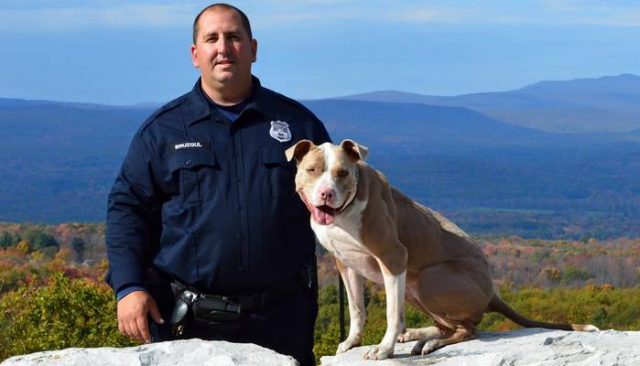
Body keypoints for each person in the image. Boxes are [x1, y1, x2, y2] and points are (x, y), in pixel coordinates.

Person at [105, 3, 330, 365]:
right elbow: (127, 211)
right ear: (196, 54)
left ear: (253, 49)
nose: (223, 48)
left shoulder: (300, 127)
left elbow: (339, 205)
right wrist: (129, 287)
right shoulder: (162, 131)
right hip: (189, 322)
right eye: (212, 39)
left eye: (234, 37)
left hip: (282, 320)